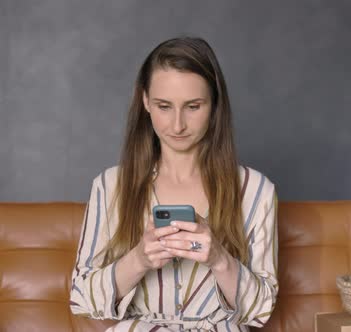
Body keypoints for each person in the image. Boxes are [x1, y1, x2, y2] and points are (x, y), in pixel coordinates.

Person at [69, 37, 278, 332]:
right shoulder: (110, 185)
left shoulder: (256, 190)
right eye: (164, 106)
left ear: (215, 103)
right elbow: (81, 299)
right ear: (145, 102)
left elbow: (261, 311)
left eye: (193, 106)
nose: (177, 125)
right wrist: (139, 259)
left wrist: (219, 258)